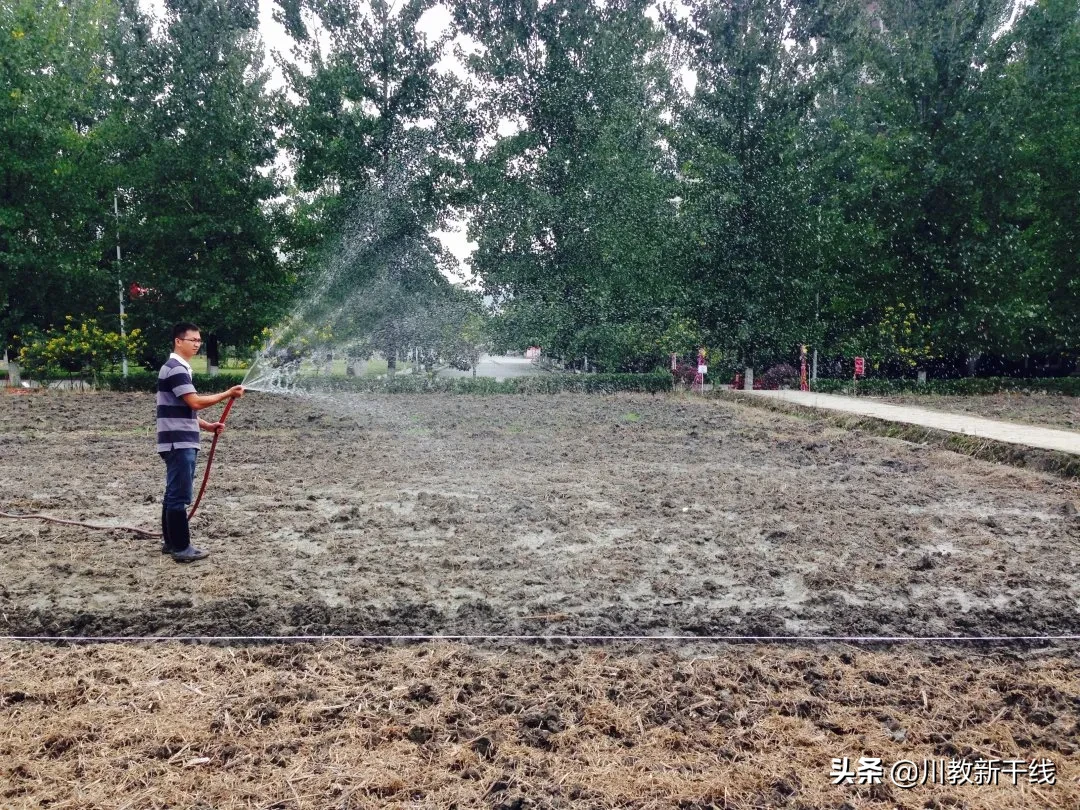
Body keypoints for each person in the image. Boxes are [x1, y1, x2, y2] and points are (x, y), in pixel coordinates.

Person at [157, 322, 244, 562]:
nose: (197, 344)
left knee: (172, 493)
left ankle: (170, 543)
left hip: (177, 439)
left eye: (198, 341)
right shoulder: (176, 368)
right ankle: (182, 548)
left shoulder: (177, 368)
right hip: (179, 442)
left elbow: (183, 410)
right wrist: (227, 393)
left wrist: (206, 426)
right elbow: (194, 402)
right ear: (178, 341)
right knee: (179, 496)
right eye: (192, 340)